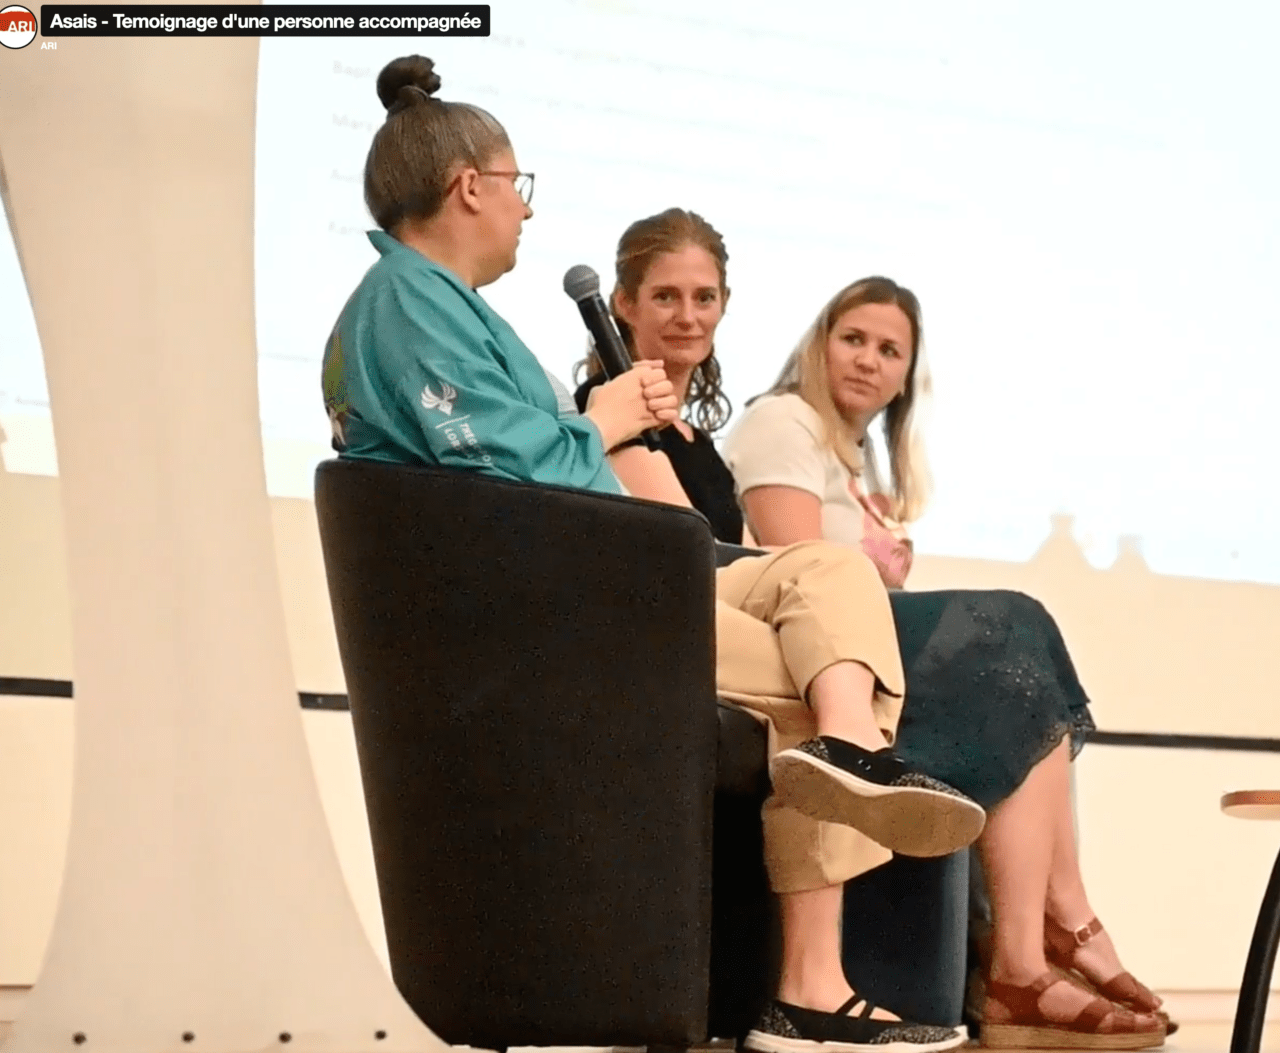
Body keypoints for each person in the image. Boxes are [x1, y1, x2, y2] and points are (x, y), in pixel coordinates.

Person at [320, 56, 989, 1053]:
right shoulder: (408, 305)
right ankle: (810, 984)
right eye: (515, 186)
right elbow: (508, 476)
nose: (525, 210)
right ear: (468, 188)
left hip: (615, 577)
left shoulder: (436, 304)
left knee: (832, 571)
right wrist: (603, 419)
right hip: (566, 605)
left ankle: (855, 753)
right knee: (813, 679)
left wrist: (596, 428)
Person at [578, 209, 1172, 1049]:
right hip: (728, 629)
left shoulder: (693, 432)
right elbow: (707, 557)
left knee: (1024, 648)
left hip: (776, 614)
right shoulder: (615, 418)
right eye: (666, 296)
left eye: (704, 296)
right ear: (623, 305)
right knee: (1009, 629)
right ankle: (1043, 944)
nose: (687, 315)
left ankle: (1037, 946)